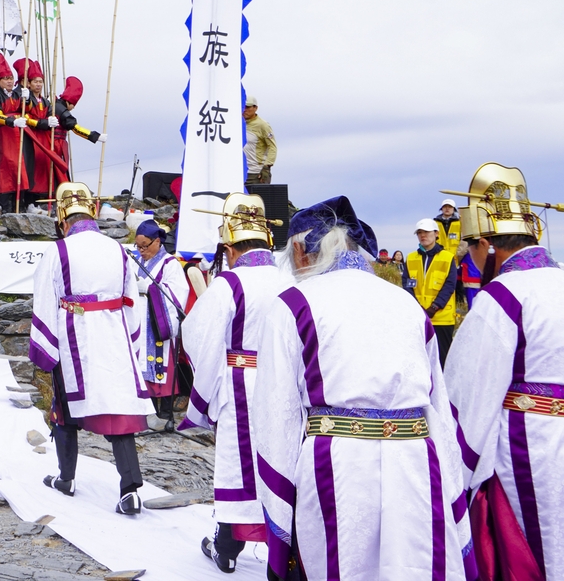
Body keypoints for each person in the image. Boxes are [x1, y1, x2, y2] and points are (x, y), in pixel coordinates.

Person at [253, 196, 470, 581]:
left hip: (337, 466)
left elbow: (277, 414)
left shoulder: (294, 303)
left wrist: (281, 518)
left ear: (301, 251)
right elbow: (438, 404)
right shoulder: (405, 304)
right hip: (416, 463)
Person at [445, 163, 563, 580]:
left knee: (535, 551)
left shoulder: (504, 295)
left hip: (530, 445)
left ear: (486, 245)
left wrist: (454, 476)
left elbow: (468, 395)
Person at [179, 192, 290, 573]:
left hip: (242, 379)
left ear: (229, 246)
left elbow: (200, 336)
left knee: (240, 464)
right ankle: (286, 553)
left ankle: (227, 547)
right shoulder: (289, 279)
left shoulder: (229, 284)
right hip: (287, 384)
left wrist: (203, 396)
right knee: (282, 461)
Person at [29, 182, 150, 516]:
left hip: (74, 334)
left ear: (62, 218)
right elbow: (131, 300)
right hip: (113, 335)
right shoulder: (118, 249)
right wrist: (133, 343)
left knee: (64, 409)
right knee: (118, 411)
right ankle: (130, 491)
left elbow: (45, 299)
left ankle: (66, 478)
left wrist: (45, 349)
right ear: (92, 212)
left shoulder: (59, 250)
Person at [130, 219, 186, 432]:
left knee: (162, 367)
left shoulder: (170, 264)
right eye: (138, 246)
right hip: (142, 322)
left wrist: (152, 289)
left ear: (157, 242)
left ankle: (166, 414)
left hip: (158, 322)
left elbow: (177, 293)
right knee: (144, 366)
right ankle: (150, 412)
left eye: (145, 245)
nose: (141, 250)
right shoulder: (138, 262)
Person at [12, 58, 65, 211]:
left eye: (40, 81)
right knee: (30, 169)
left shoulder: (46, 102)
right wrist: (43, 122)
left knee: (43, 170)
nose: (38, 84)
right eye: (35, 81)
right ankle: (28, 202)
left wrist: (52, 120)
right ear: (29, 83)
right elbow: (25, 113)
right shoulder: (27, 99)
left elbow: (49, 114)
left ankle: (39, 202)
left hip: (43, 139)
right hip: (30, 137)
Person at [406, 217, 458, 365]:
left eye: (427, 232)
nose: (423, 235)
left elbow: (449, 285)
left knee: (442, 360)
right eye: (419, 232)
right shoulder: (410, 258)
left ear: (436, 233)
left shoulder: (448, 258)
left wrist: (434, 307)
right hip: (419, 317)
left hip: (442, 318)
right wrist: (417, 308)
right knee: (421, 359)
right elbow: (407, 285)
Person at [0, 54, 29, 213]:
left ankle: (21, 205)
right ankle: (6, 207)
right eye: (5, 78)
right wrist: (12, 121)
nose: (10, 81)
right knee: (7, 168)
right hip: (5, 135)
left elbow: (29, 112)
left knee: (21, 168)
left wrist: (28, 99)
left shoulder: (19, 95)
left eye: (11, 78)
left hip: (19, 136)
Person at [50, 76, 107, 182]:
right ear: (69, 101)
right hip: (55, 145)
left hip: (57, 145)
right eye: (73, 104)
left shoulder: (56, 106)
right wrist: (95, 136)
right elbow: (75, 128)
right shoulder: (61, 109)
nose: (73, 108)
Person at [243, 95, 276, 185]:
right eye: (243, 106)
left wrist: (267, 167)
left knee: (259, 199)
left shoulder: (262, 125)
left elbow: (272, 147)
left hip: (256, 173)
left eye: (247, 107)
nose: (244, 109)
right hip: (240, 172)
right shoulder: (236, 122)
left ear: (255, 108)